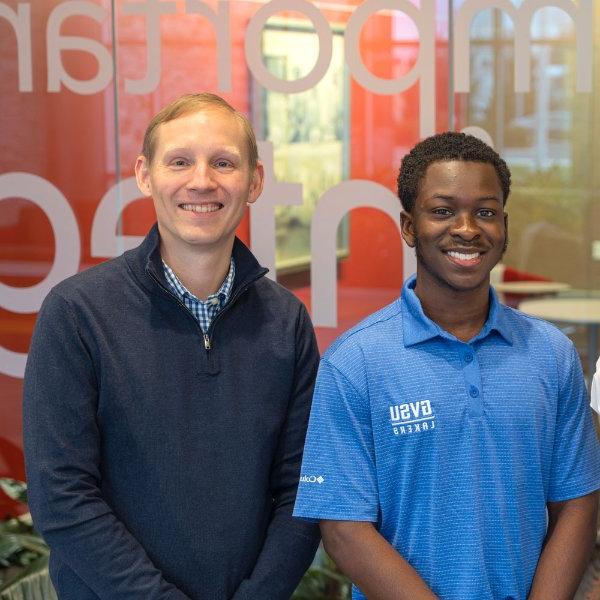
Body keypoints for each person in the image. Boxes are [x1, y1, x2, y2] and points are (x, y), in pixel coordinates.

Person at [23, 93, 320, 599]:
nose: (201, 181)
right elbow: (63, 497)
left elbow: (302, 488)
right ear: (145, 174)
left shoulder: (286, 321)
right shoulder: (76, 314)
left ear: (254, 181)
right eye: (179, 161)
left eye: (223, 162)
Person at [293, 132, 600, 600]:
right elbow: (343, 528)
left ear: (505, 225)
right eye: (442, 210)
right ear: (409, 227)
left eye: (486, 211)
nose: (467, 228)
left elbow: (577, 501)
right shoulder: (354, 362)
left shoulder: (550, 354)